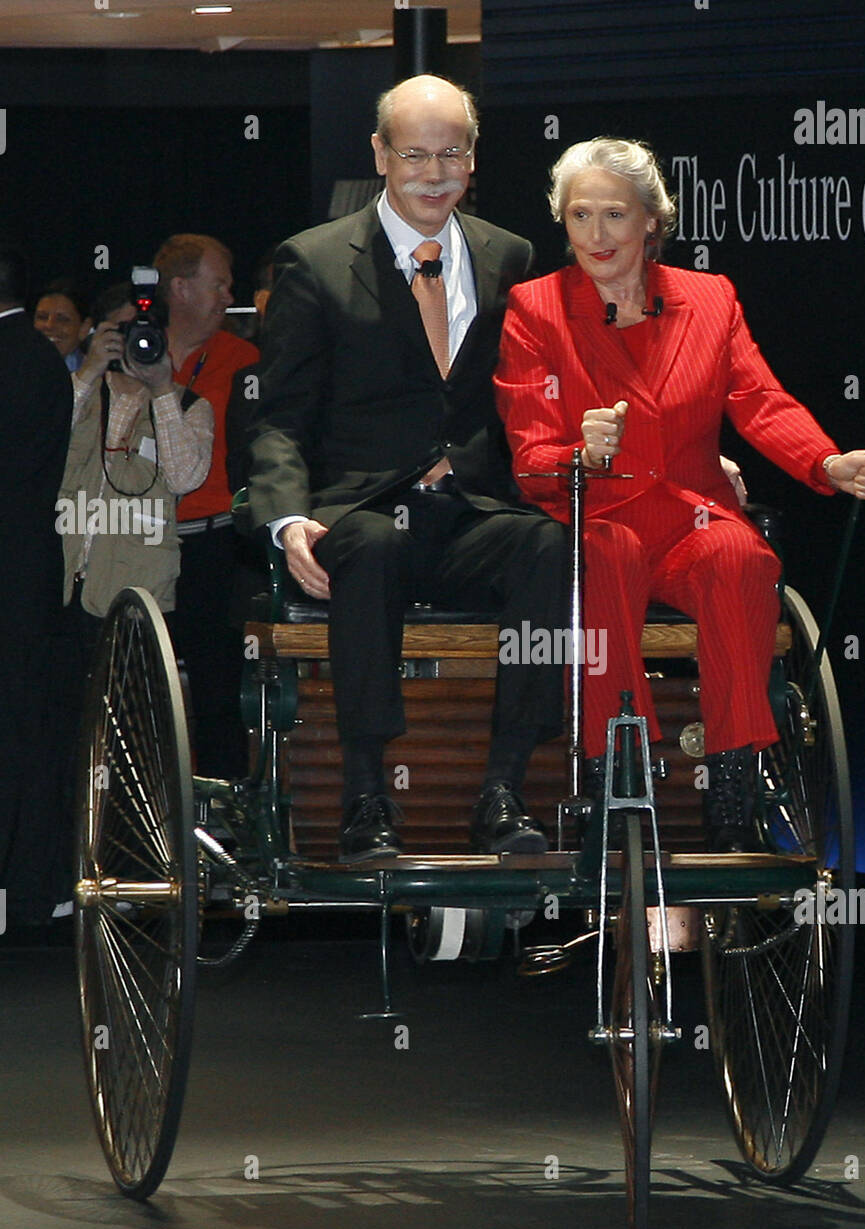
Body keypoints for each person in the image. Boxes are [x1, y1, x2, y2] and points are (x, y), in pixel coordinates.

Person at [495, 137, 865, 851]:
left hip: (688, 513)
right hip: (597, 515)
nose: (596, 236)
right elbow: (530, 457)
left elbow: (759, 399)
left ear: (652, 220)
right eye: (579, 217)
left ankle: (735, 773)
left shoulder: (708, 299)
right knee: (603, 558)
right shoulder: (535, 308)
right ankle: (619, 764)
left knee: (739, 558)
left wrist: (824, 462)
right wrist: (578, 455)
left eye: (614, 215)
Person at [248, 74, 567, 862]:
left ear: (473, 157)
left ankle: (504, 788)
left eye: (450, 153)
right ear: (380, 156)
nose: (434, 173)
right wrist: (288, 522)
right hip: (358, 511)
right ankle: (365, 795)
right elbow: (279, 416)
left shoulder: (510, 255)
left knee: (549, 546)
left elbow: (539, 388)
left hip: (468, 514)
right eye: (415, 154)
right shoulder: (314, 261)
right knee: (377, 546)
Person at [60, 287, 214, 663]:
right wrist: (89, 369)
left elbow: (184, 479)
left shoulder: (188, 406)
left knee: (126, 714)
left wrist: (161, 389)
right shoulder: (74, 393)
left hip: (136, 594)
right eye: (122, 331)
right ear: (97, 334)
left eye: (145, 332)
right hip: (60, 586)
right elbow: (39, 447)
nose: (135, 341)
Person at [153, 233, 259, 778]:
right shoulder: (130, 350)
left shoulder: (245, 360)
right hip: (139, 545)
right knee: (142, 692)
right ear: (180, 288)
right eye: (218, 282)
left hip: (215, 545)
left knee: (219, 693)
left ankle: (228, 830)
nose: (227, 294)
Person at [0, 244, 77, 922]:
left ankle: (25, 875)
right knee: (30, 716)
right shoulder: (41, 358)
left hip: (12, 565)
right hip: (29, 563)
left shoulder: (15, 358)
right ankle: (34, 876)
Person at [33, 280, 93, 372]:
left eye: (62, 319)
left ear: (84, 328)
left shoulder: (96, 373)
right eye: (42, 317)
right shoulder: (13, 365)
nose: (49, 325)